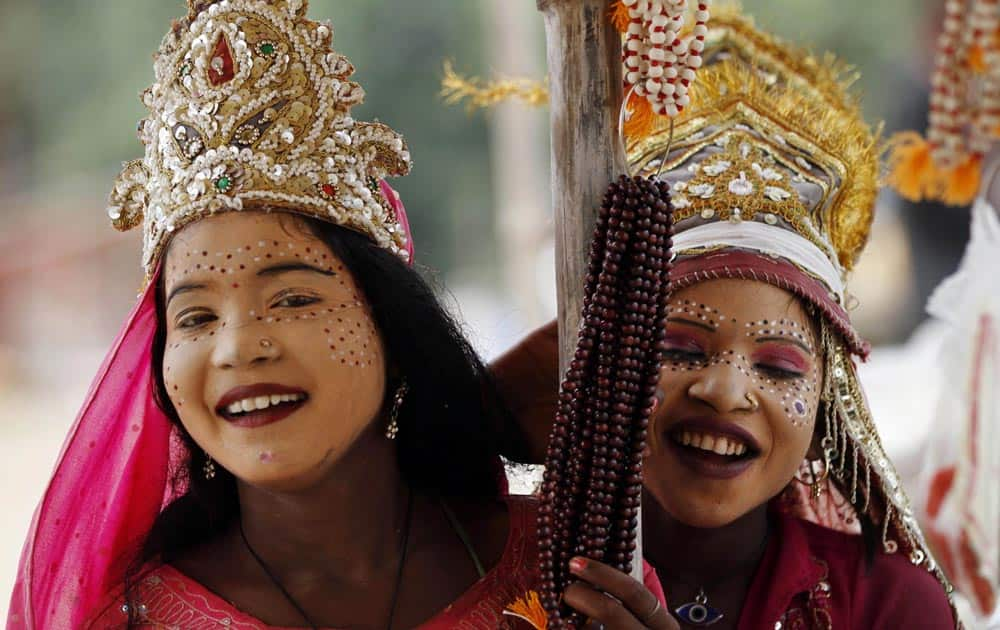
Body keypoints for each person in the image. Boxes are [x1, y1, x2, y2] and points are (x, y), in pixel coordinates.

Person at [7, 1, 544, 628]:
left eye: (292, 299)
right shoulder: (131, 620)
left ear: (393, 329)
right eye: (197, 318)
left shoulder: (566, 571)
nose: (238, 347)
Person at [514, 9, 962, 629]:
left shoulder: (887, 605)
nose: (724, 390)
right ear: (614, 361)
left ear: (826, 395)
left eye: (778, 364)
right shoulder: (507, 569)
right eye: (681, 351)